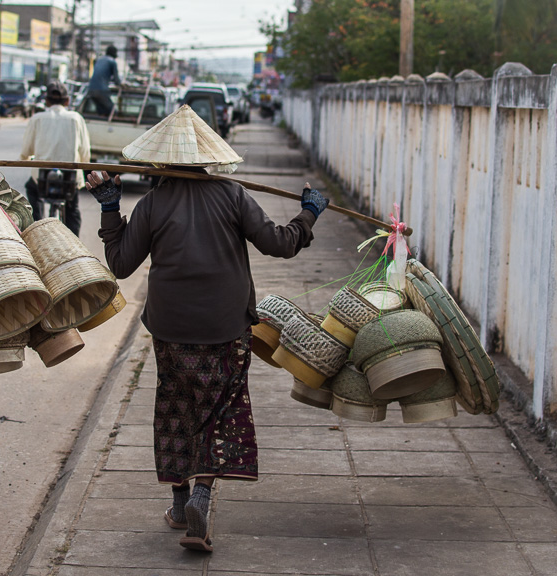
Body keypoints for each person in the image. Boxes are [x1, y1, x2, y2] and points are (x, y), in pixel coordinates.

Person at [85, 105, 329, 553]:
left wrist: (110, 210)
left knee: (177, 407)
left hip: (169, 328)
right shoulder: (232, 194)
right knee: (217, 411)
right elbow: (281, 243)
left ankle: (181, 506)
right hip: (225, 327)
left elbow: (120, 264)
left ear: (162, 160)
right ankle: (200, 494)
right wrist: (309, 214)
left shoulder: (153, 202)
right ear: (207, 157)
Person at [20, 80, 91, 235]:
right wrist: (84, 167)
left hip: (42, 178)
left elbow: (26, 151)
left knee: (32, 190)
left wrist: (26, 158)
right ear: (67, 101)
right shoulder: (76, 118)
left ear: (46, 101)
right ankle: (75, 245)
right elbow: (85, 153)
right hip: (69, 178)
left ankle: (37, 228)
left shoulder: (37, 118)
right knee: (72, 208)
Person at [87, 45, 122, 116]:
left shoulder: (99, 60)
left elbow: (101, 74)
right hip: (101, 90)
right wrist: (122, 84)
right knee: (113, 112)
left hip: (91, 90)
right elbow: (116, 80)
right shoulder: (112, 62)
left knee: (101, 112)